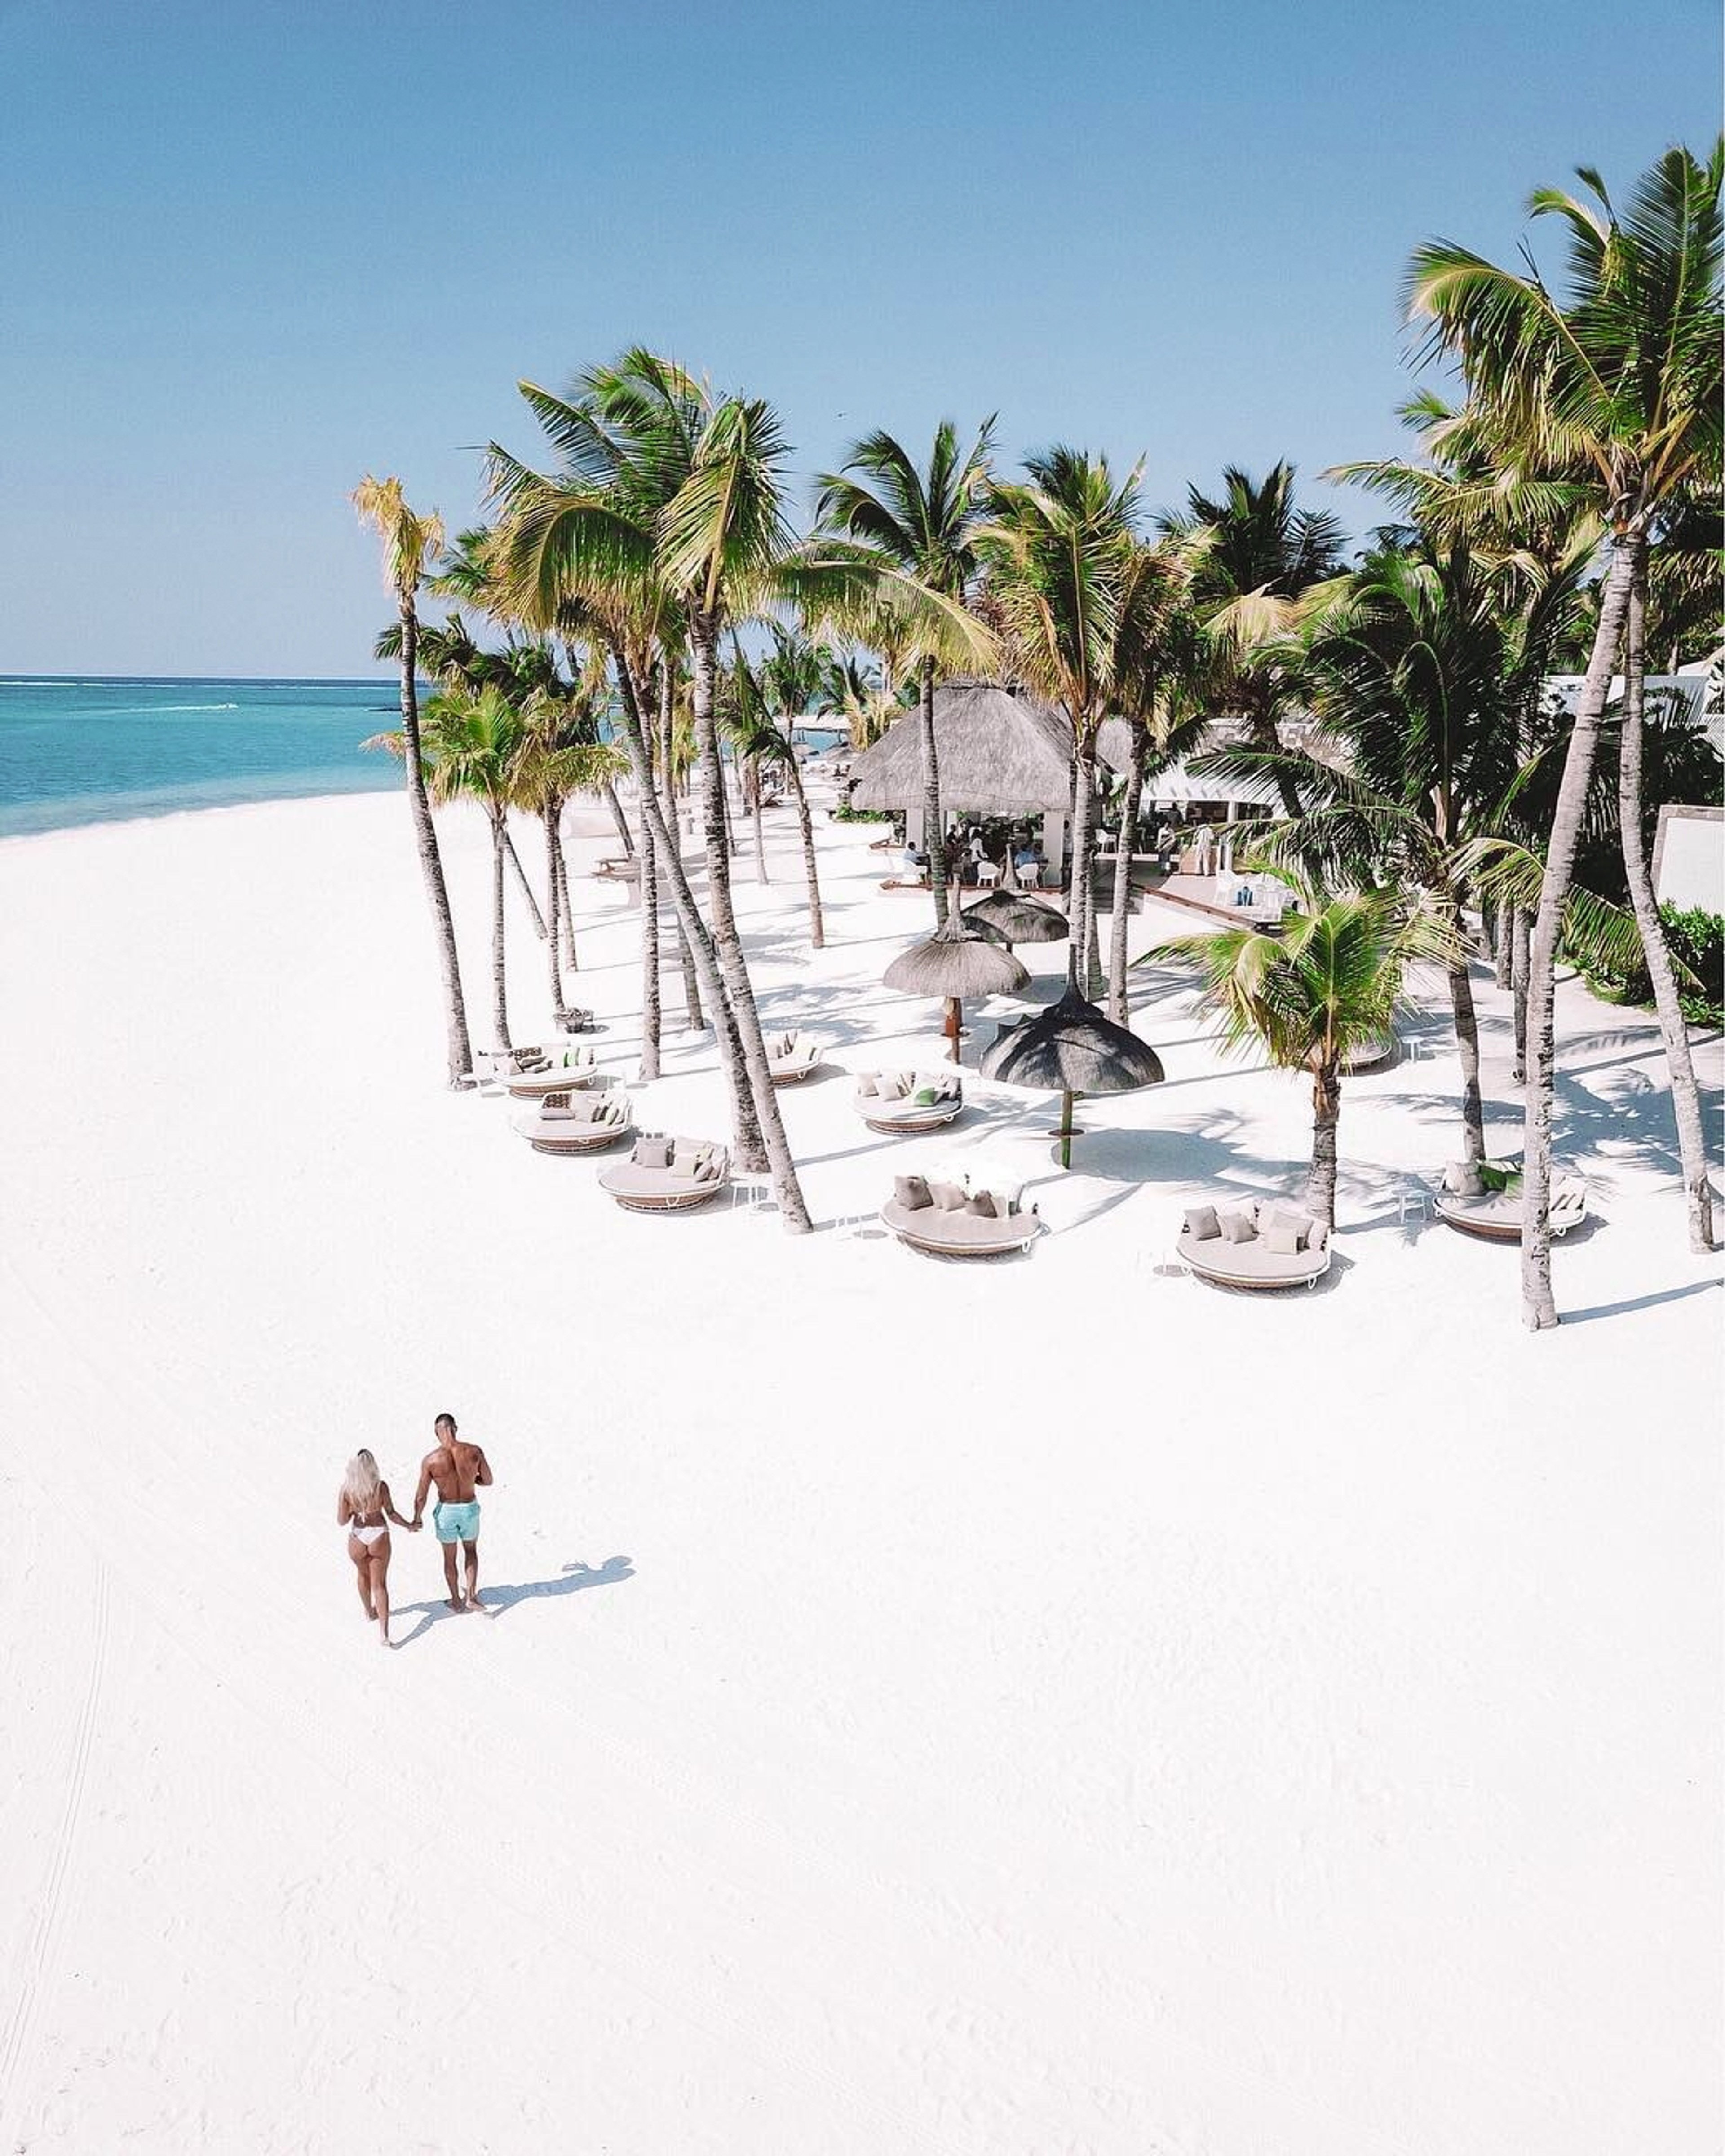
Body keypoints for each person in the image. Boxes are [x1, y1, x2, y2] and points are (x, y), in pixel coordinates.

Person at [412, 1413, 494, 1613]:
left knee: (449, 1558)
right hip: (469, 1509)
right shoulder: (474, 1451)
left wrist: (417, 1518)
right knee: (471, 1551)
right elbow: (489, 1480)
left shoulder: (430, 1460)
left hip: (446, 1512)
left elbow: (421, 1496)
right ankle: (472, 1596)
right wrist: (471, 1480)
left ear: (437, 1432)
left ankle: (457, 1600)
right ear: (455, 1428)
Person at [338, 1448, 415, 1648]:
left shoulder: (347, 1490)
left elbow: (341, 1521)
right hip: (379, 1535)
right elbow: (391, 1513)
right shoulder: (381, 1487)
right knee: (380, 1585)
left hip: (358, 1536)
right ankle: (384, 1633)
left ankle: (369, 1611)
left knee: (363, 1576)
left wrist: (355, 1510)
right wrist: (409, 1525)